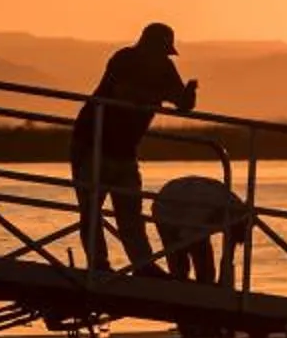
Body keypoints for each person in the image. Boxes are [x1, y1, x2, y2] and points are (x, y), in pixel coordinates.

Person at [71, 22, 198, 272]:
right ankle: (99, 266)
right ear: (147, 44)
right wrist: (156, 96)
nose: (163, 56)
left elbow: (182, 103)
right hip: (91, 143)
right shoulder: (124, 59)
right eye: (161, 50)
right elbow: (121, 92)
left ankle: (144, 266)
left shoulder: (164, 68)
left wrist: (189, 93)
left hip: (125, 150)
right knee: (91, 211)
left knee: (130, 214)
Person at [152, 173, 252, 287]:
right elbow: (187, 236)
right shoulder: (210, 208)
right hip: (168, 207)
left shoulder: (232, 210)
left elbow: (229, 250)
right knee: (184, 261)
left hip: (184, 200)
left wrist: (224, 280)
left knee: (200, 262)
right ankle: (185, 286)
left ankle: (197, 283)